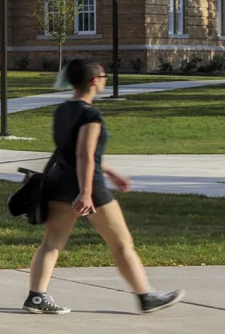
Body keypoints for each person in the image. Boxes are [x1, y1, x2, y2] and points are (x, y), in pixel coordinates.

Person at [23, 59, 183, 316]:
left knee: (52, 243)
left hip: (58, 183)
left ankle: (37, 297)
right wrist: (86, 192)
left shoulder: (63, 109)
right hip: (89, 188)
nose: (105, 79)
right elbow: (84, 155)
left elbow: (74, 150)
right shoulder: (90, 114)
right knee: (121, 244)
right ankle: (146, 296)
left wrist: (112, 172)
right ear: (93, 81)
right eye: (104, 76)